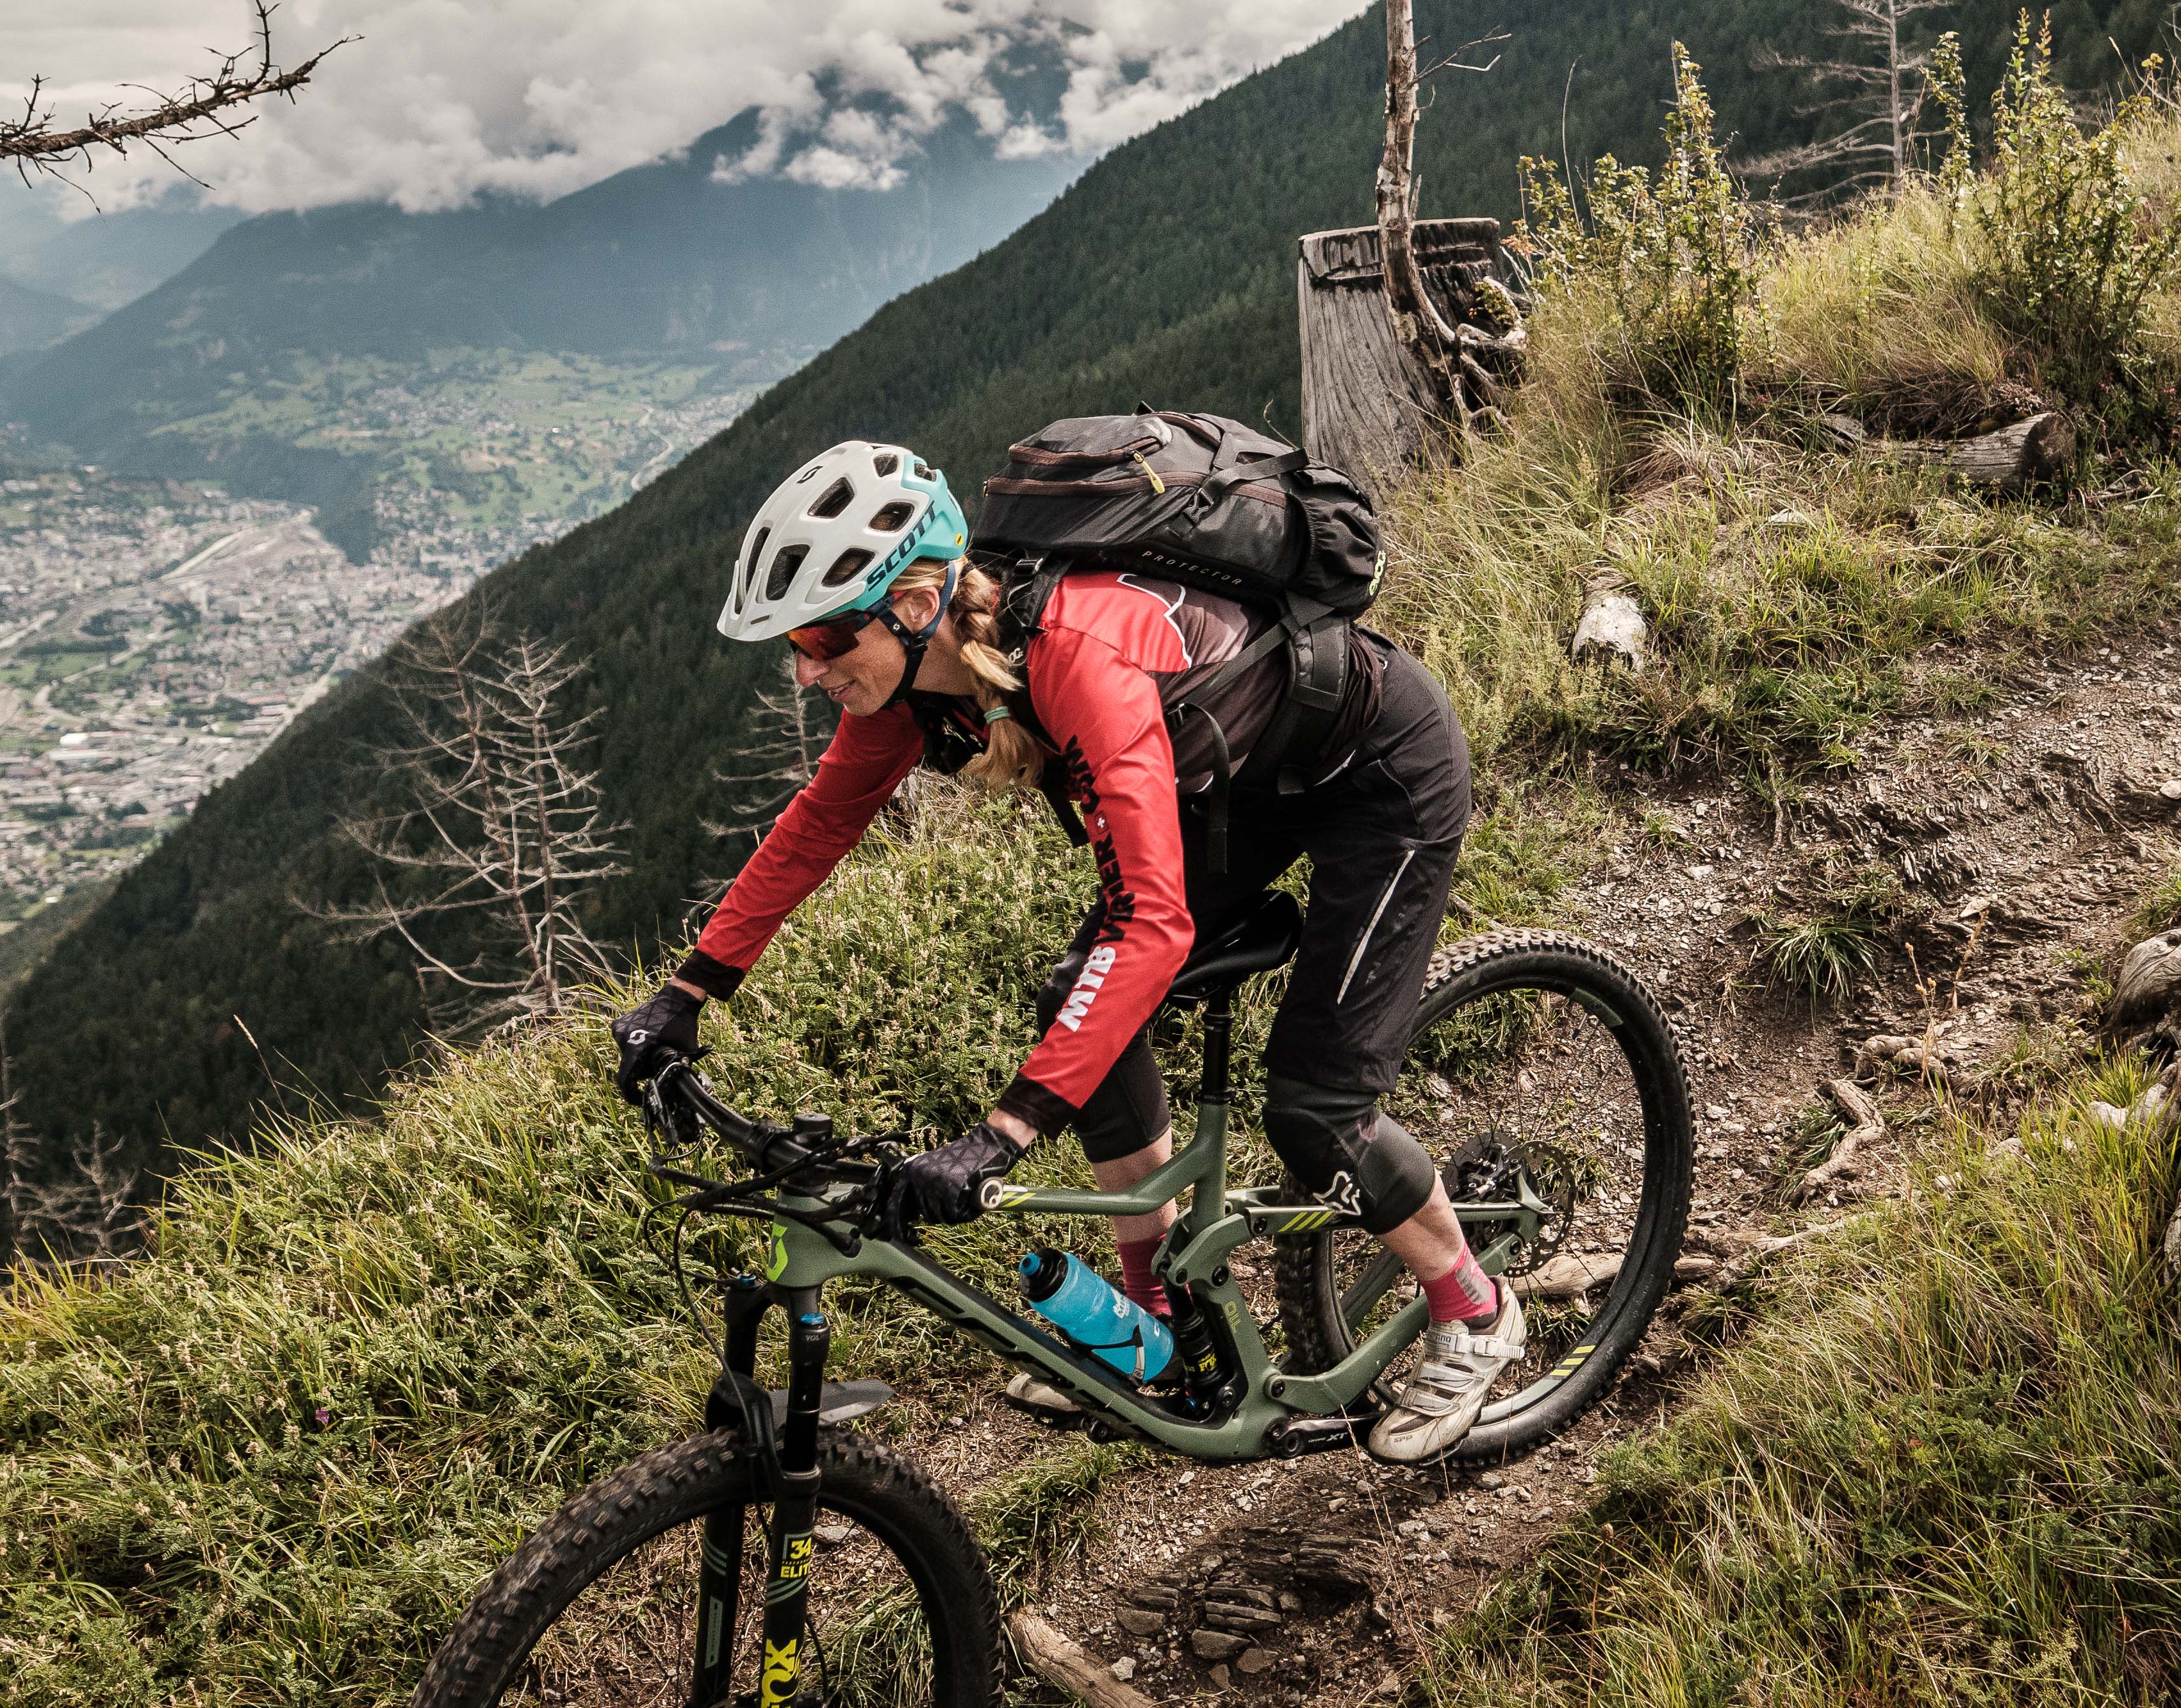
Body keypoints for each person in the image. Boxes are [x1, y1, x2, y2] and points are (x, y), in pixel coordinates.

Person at [605, 438, 1523, 1463]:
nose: (807, 670)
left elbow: (1153, 923)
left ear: (914, 605)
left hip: (1377, 781)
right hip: (1237, 794)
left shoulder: (1078, 653)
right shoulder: (921, 688)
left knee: (1316, 1109)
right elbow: (817, 827)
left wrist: (1003, 1133)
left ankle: (1474, 1308)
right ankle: (1157, 1319)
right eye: (794, 646)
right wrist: (689, 990)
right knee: (1077, 1005)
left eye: (823, 637)